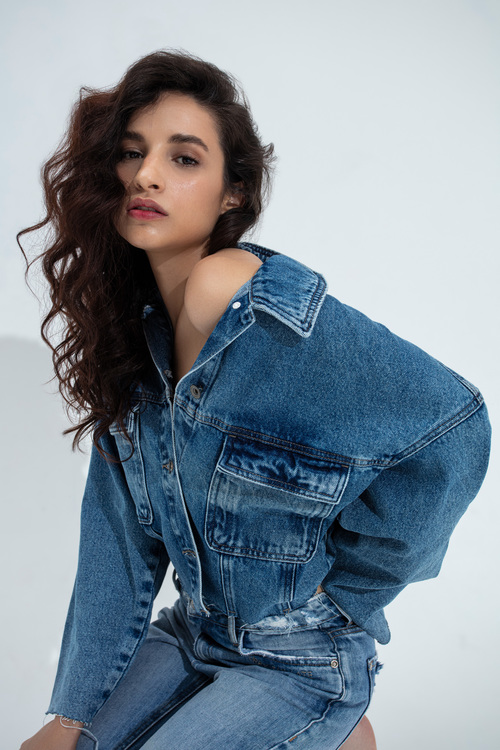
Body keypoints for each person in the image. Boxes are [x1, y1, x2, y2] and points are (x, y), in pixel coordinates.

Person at [18, 49, 490, 750]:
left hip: (298, 659)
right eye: (132, 152)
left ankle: (335, 718)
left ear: (233, 193)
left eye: (183, 158)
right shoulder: (133, 341)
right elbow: (117, 545)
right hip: (191, 633)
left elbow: (454, 423)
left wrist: (353, 596)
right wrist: (70, 714)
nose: (146, 175)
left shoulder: (239, 299)